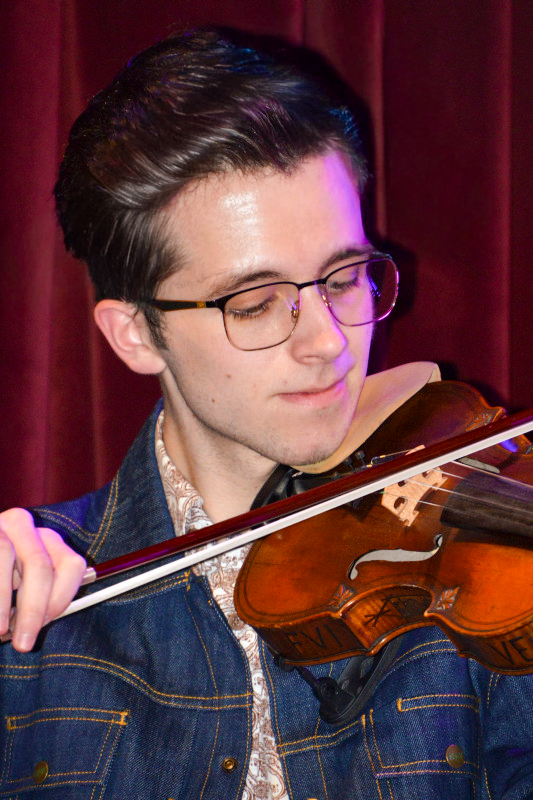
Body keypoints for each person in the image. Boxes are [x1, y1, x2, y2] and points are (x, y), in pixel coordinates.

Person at [0, 28, 531, 799]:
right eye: (254, 304)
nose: (328, 341)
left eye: (343, 277)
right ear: (137, 334)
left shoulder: (478, 588)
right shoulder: (36, 612)